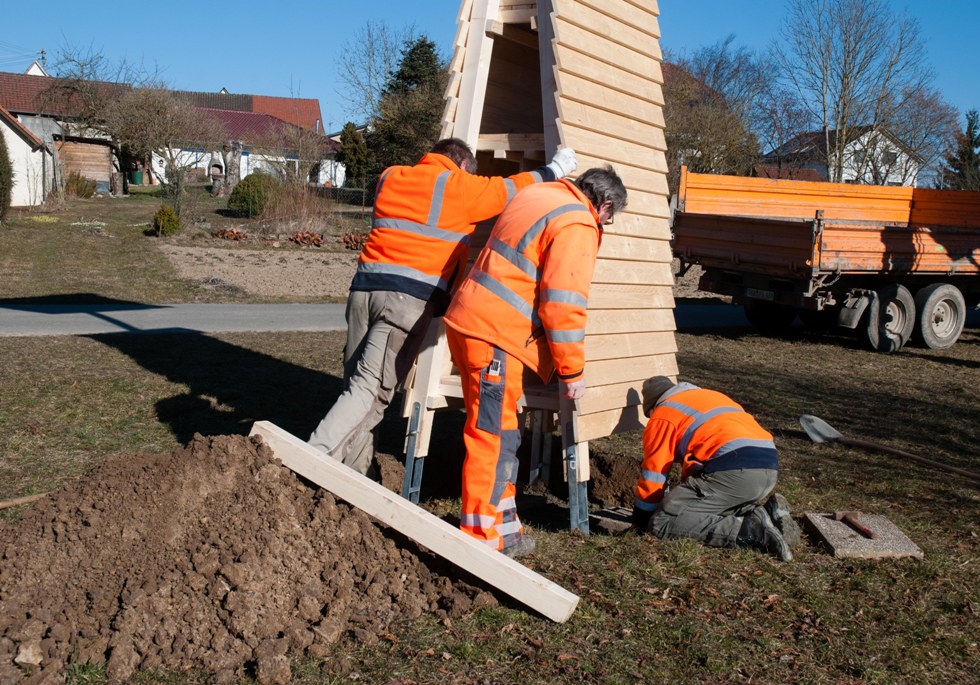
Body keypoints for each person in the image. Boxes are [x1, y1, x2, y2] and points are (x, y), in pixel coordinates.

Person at [308, 138, 579, 475]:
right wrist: (555, 169)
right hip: (405, 302)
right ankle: (312, 459)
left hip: (364, 291)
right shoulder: (458, 186)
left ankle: (351, 477)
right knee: (371, 391)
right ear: (463, 165)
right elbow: (510, 189)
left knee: (358, 390)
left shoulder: (390, 176)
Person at [443, 166, 628, 557]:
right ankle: (478, 540)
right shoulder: (578, 221)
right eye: (609, 219)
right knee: (492, 438)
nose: (605, 226)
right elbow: (564, 304)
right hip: (496, 335)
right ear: (604, 205)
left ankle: (505, 532)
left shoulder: (539, 196)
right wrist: (571, 371)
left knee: (503, 431)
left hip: (471, 324)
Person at [631, 376, 799, 561]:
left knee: (663, 520)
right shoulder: (711, 397)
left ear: (653, 407)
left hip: (734, 471)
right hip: (768, 467)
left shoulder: (663, 414)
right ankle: (766, 515)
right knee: (705, 507)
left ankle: (752, 531)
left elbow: (654, 475)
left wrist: (642, 518)